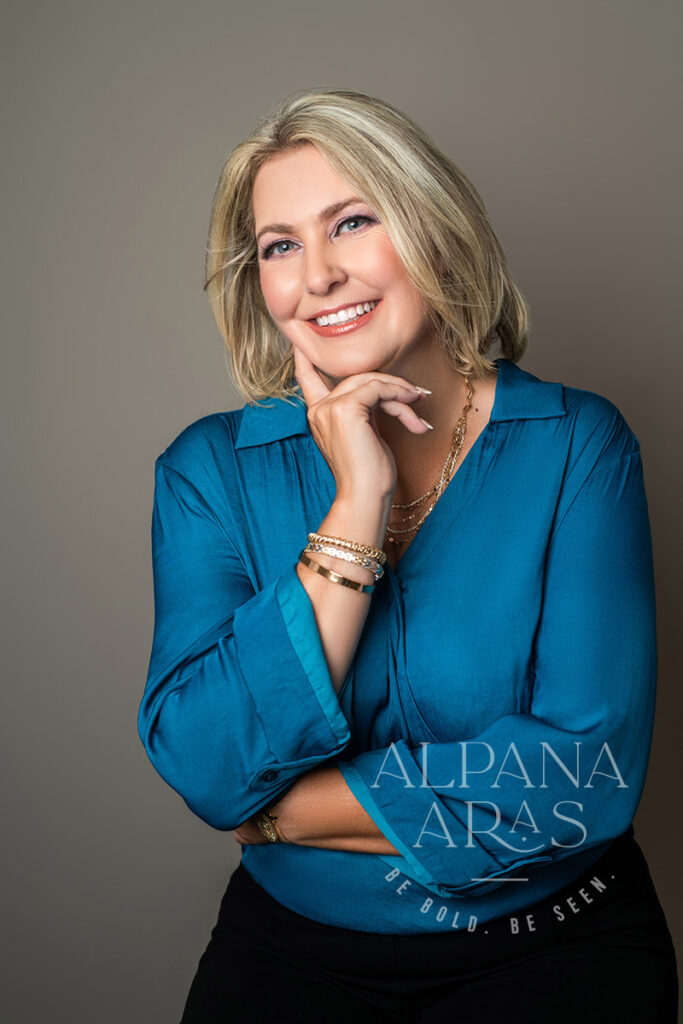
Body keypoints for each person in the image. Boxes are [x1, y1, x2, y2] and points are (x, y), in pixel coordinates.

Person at [137, 88, 678, 1022]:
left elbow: (584, 780)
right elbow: (206, 762)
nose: (318, 276)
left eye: (351, 222)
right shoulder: (209, 472)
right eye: (279, 246)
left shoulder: (578, 445)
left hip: (554, 944)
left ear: (433, 228)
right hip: (289, 952)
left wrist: (282, 812)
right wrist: (358, 502)